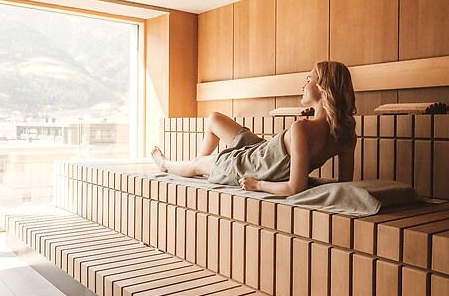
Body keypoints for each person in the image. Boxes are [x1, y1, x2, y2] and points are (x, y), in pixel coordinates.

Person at [150, 60, 357, 197]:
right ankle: (206, 169)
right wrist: (311, 179)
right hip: (262, 150)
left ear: (323, 87)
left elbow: (294, 188)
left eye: (308, 80)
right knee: (214, 119)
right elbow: (344, 182)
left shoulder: (302, 129)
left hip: (250, 165)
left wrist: (258, 185)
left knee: (197, 163)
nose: (303, 86)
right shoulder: (347, 134)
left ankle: (168, 164)